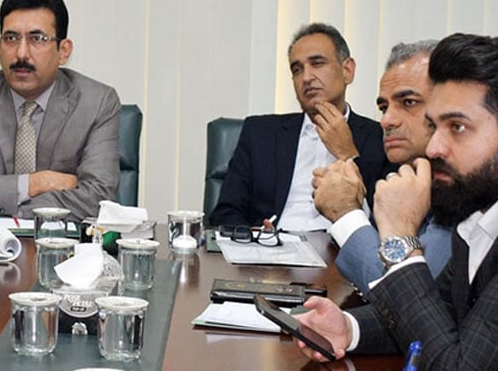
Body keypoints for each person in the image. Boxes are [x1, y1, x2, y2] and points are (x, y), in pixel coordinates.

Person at [296, 33, 498, 370]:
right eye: (435, 126)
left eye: (458, 127)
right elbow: (437, 318)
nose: (435, 147)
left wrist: (400, 241)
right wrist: (349, 329)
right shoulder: (474, 219)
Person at [0, 0, 121, 221]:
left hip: (64, 249)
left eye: (37, 39)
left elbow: (99, 199)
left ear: (63, 51)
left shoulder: (97, 102)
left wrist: (9, 207)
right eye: (11, 38)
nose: (21, 53)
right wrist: (35, 183)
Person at [210, 23, 391, 230]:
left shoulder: (382, 136)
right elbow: (225, 212)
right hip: (272, 253)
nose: (306, 78)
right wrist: (250, 237)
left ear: (347, 70)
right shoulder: (260, 133)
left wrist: (347, 154)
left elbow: (386, 222)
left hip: (342, 254)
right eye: (297, 69)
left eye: (317, 63)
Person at [313, 41, 452, 293]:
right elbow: (387, 259)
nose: (386, 120)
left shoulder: (462, 186)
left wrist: (345, 213)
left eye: (408, 102)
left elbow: (405, 297)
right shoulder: (406, 174)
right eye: (383, 107)